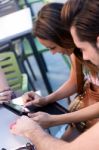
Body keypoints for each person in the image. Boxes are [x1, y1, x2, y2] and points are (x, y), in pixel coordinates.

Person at [21, 0, 99, 141]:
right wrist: (45, 100)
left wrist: (55, 120)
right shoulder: (78, 51)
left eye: (52, 47)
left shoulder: (92, 51)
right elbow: (75, 80)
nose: (52, 53)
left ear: (64, 37)